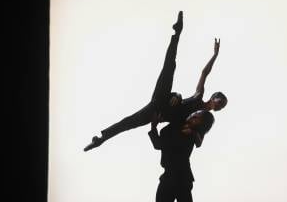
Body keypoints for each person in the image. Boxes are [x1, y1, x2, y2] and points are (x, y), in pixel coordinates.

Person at [84, 11, 227, 151]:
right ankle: (177, 33)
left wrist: (193, 133)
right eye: (220, 101)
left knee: (129, 122)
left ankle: (100, 140)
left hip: (159, 113)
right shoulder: (199, 96)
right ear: (214, 97)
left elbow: (199, 142)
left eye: (222, 106)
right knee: (169, 66)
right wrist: (215, 55)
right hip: (164, 99)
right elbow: (204, 73)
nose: (220, 105)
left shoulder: (206, 120)